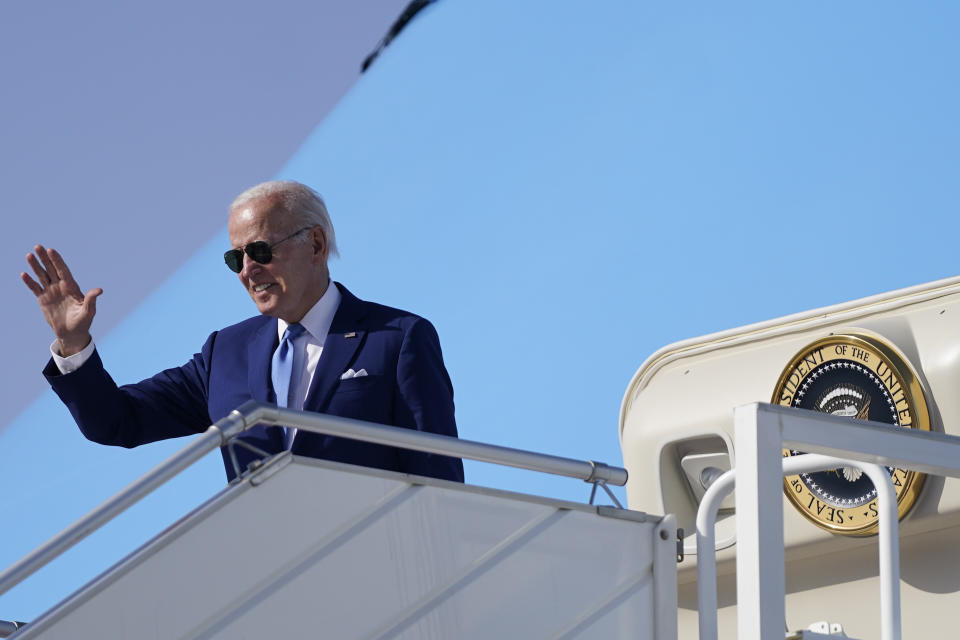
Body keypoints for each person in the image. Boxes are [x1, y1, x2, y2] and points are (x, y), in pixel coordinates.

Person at [22, 180, 464, 483]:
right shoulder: (226, 353)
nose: (248, 271)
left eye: (260, 251)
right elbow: (117, 421)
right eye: (236, 259)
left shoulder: (397, 339)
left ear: (315, 244)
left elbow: (436, 475)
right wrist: (73, 343)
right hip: (264, 591)